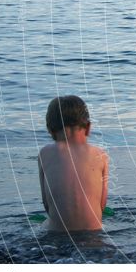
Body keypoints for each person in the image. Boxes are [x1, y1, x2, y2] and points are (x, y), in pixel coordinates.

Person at [38, 95, 109, 232]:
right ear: (88, 127)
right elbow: (102, 205)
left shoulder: (44, 154)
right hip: (93, 233)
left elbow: (47, 204)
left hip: (57, 234)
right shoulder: (101, 155)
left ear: (50, 131)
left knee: (45, 224)